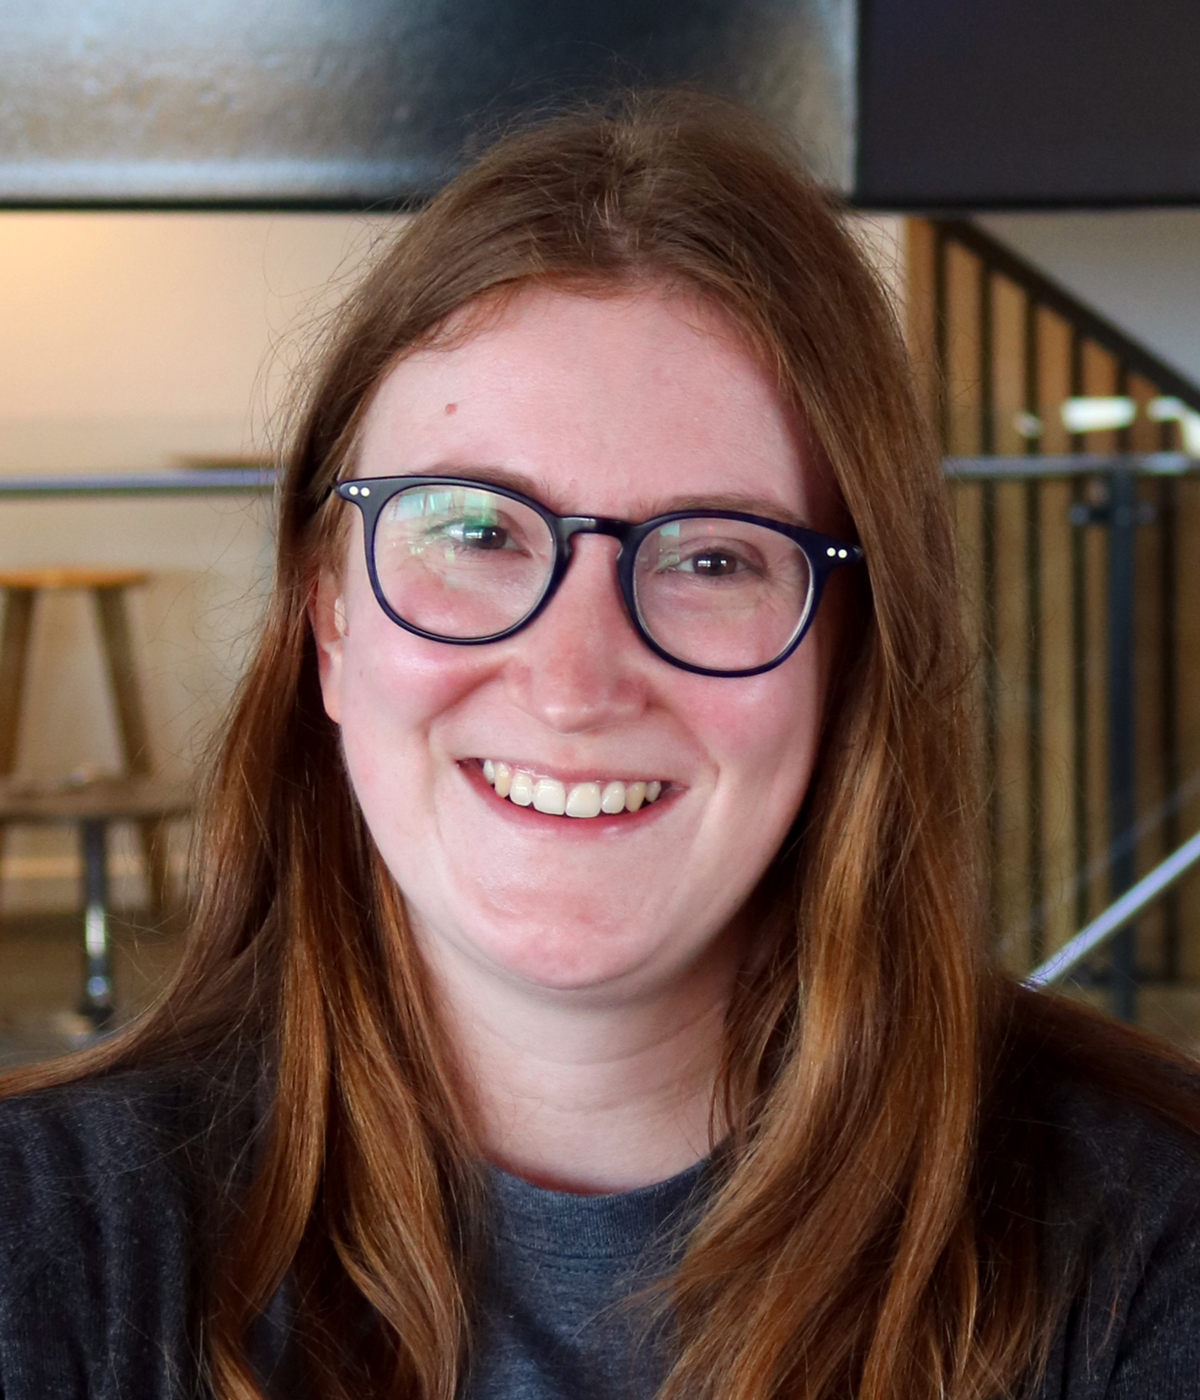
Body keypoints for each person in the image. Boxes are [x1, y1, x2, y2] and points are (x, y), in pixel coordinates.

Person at [1, 93, 1199, 1400]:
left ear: (855, 656)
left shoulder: (1149, 1251)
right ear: (327, 618)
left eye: (713, 558)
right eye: (474, 531)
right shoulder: (40, 1244)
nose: (572, 685)